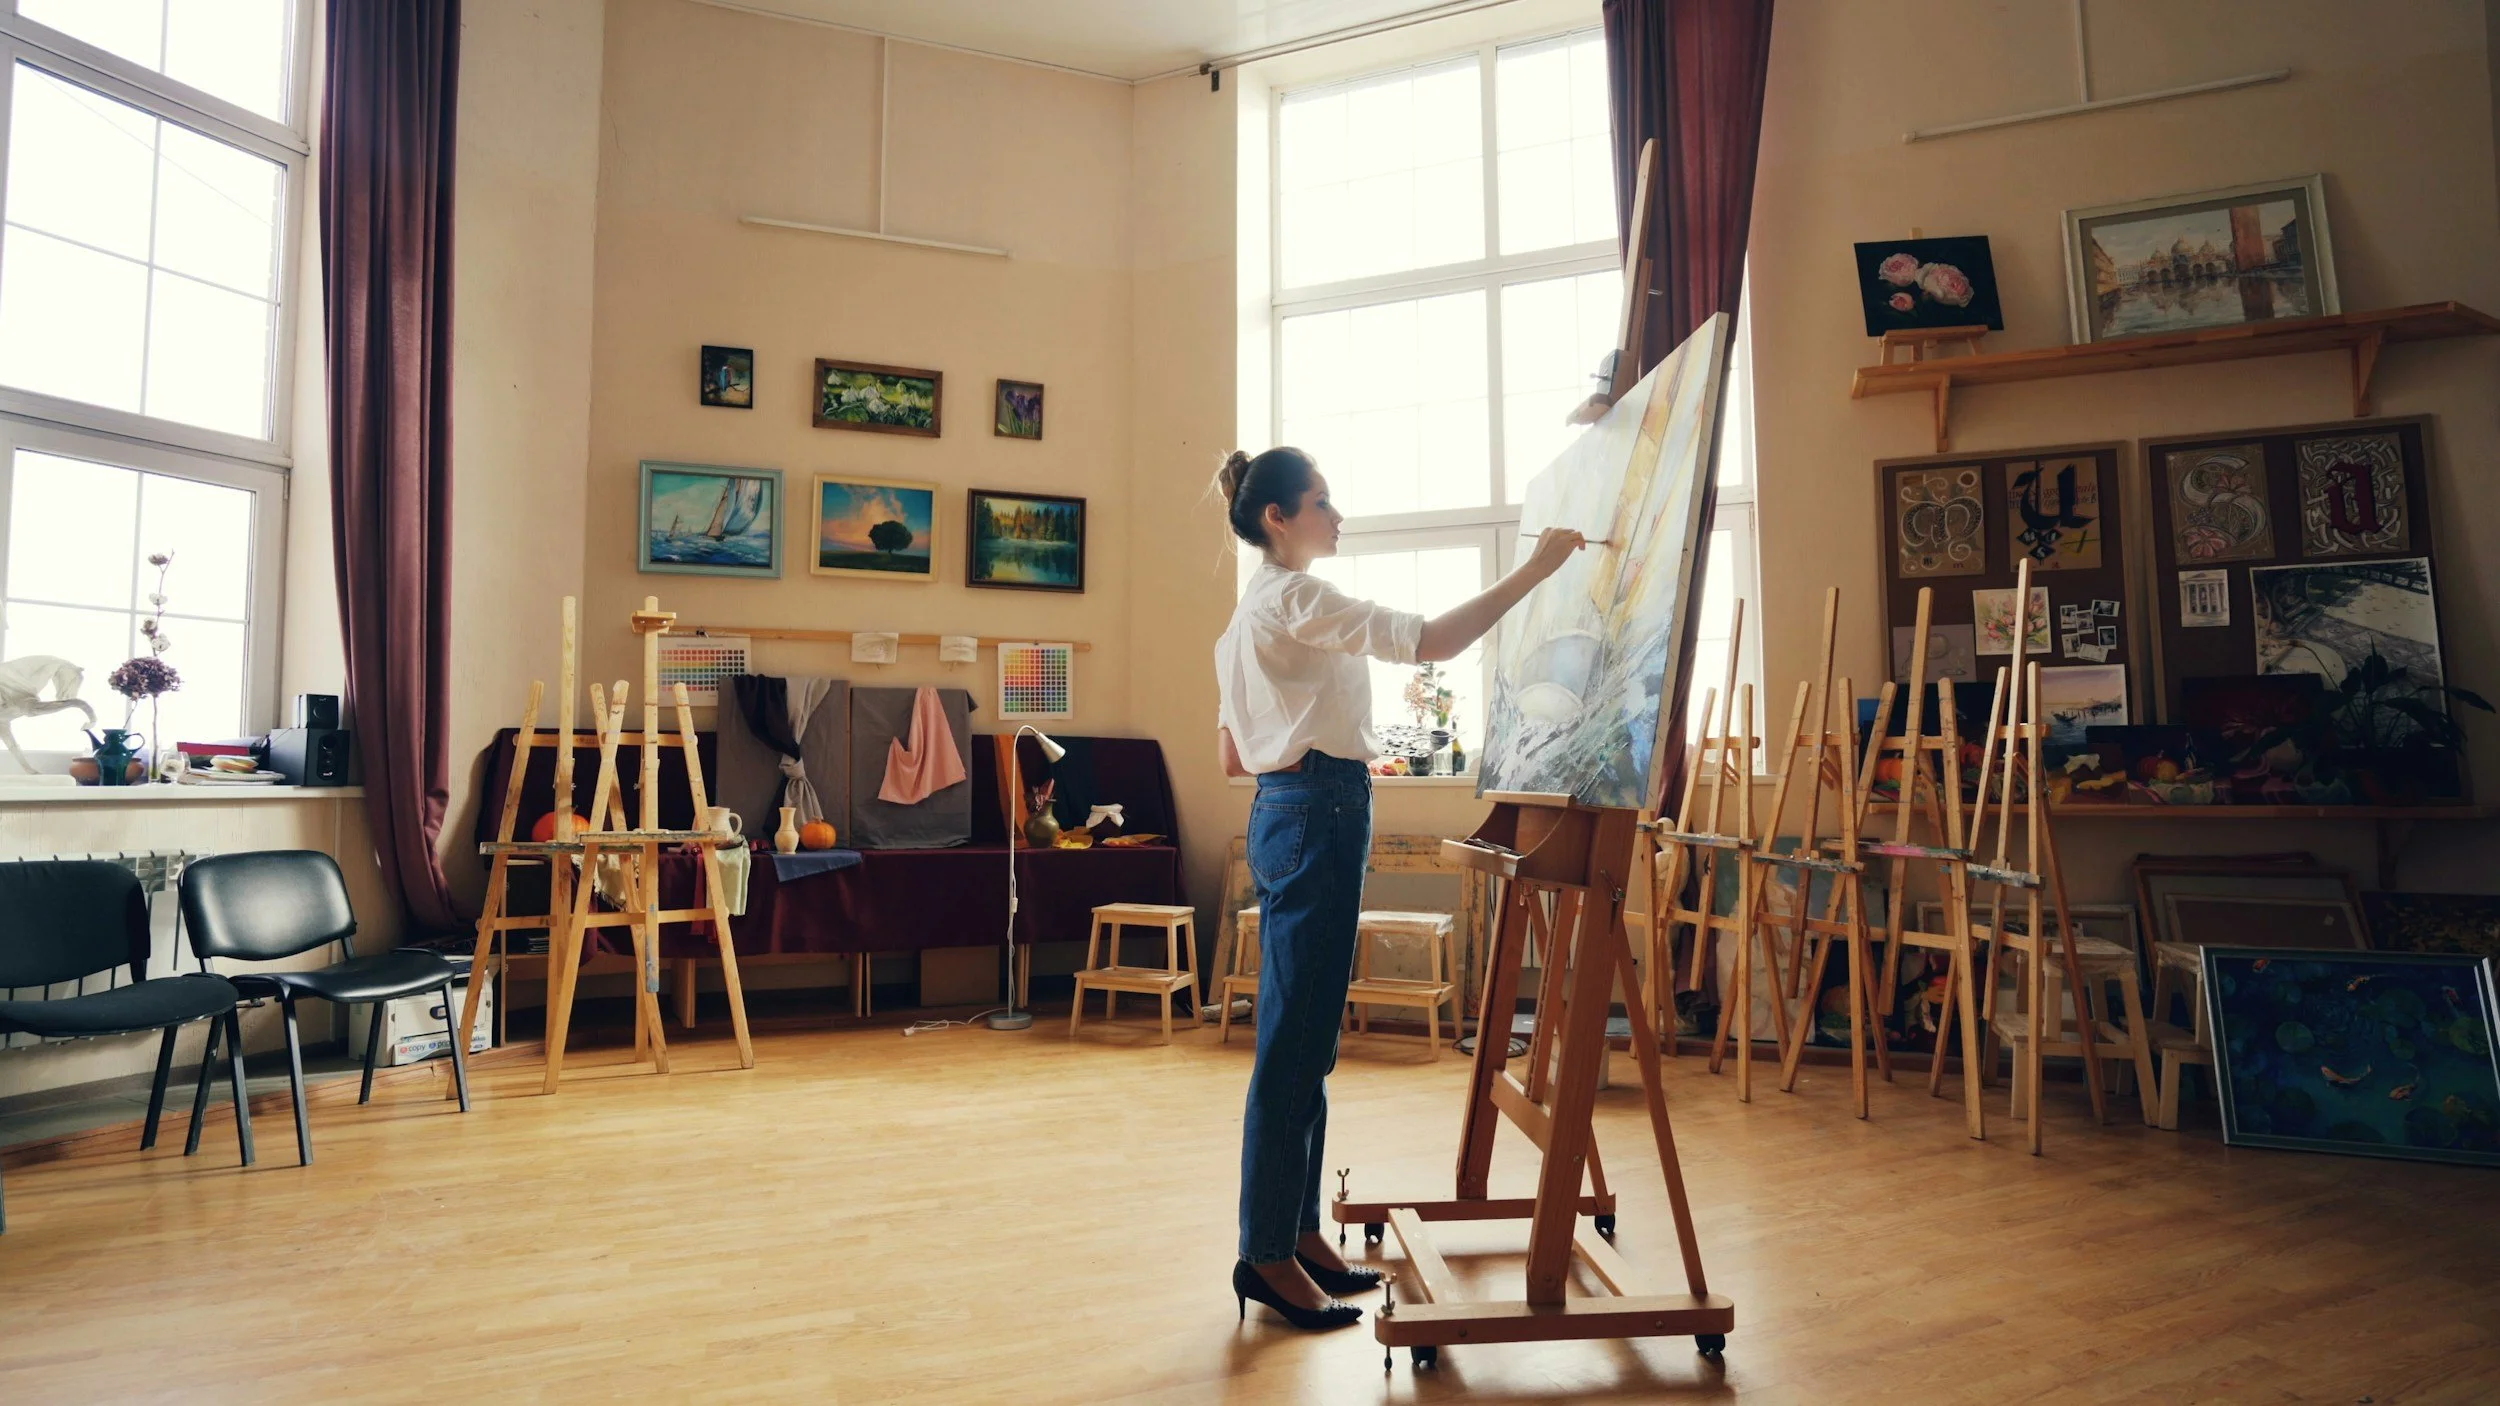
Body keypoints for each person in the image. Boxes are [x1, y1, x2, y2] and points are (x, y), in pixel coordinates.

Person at [1212, 445, 1586, 1330]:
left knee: (1305, 1039)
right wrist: (1538, 565)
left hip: (1289, 806)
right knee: (1295, 1047)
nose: (1337, 516)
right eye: (1322, 501)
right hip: (1318, 810)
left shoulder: (1247, 618)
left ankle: (1296, 1237)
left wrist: (1310, 752)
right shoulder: (1297, 596)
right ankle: (1265, 1254)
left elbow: (1230, 754)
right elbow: (1432, 642)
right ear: (1277, 517)